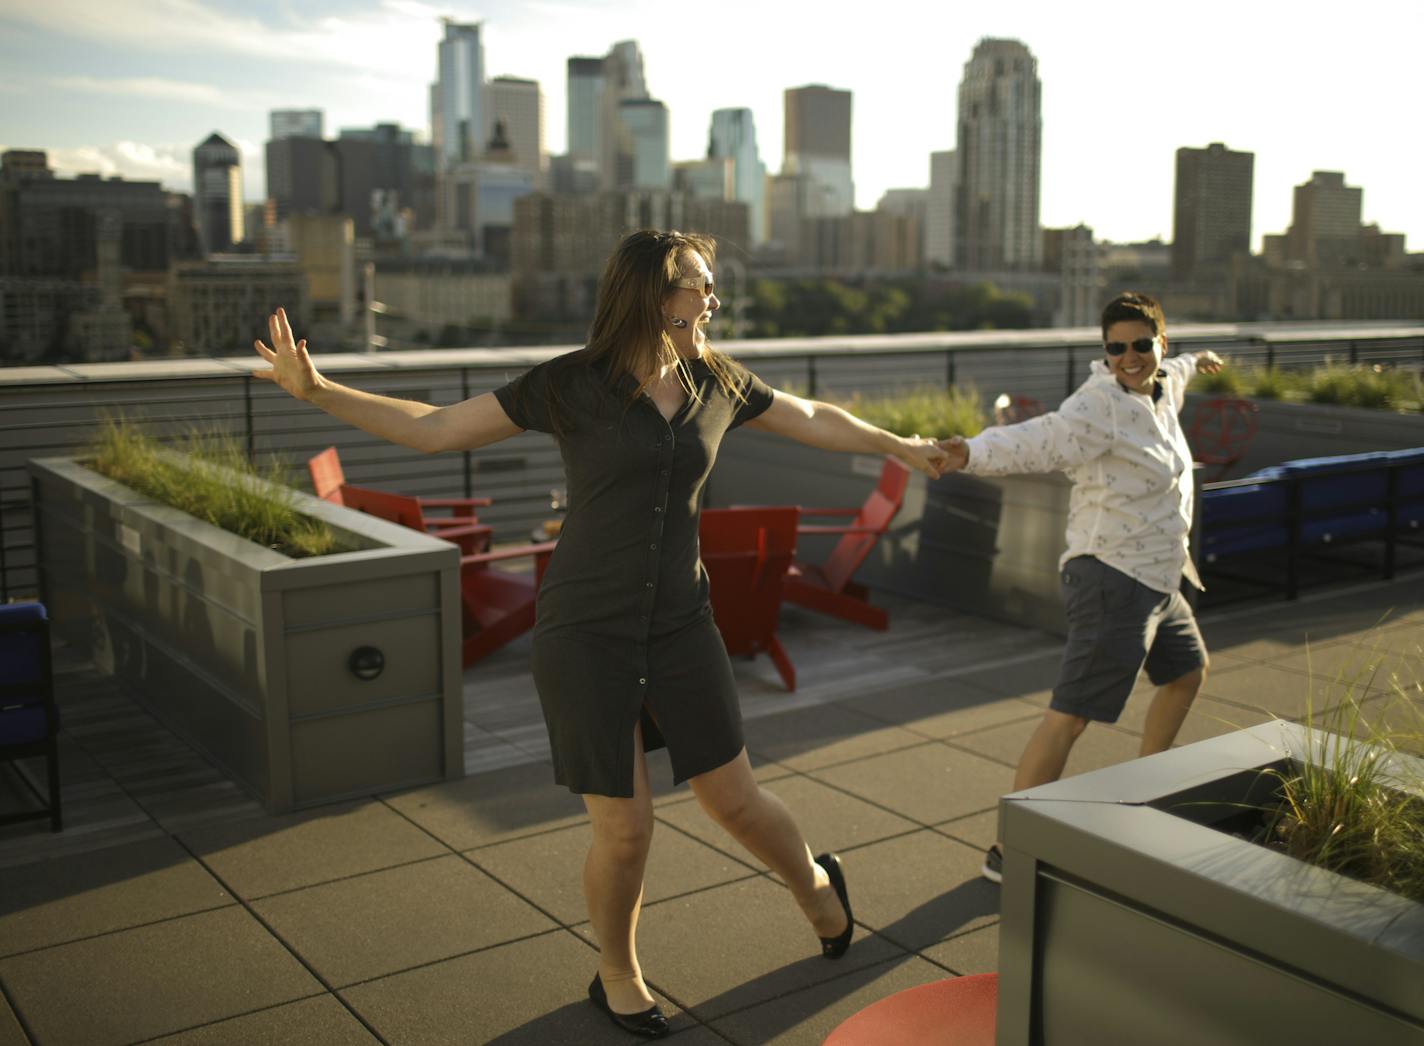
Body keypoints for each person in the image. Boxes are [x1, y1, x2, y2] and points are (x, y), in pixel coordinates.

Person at [253, 229, 950, 1039]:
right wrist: (320, 392)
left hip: (682, 626)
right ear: (655, 294)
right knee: (625, 828)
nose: (713, 300)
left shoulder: (717, 382)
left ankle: (816, 884)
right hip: (585, 630)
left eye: (713, 287)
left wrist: (900, 445)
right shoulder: (571, 386)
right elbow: (436, 428)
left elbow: (815, 418)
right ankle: (617, 972)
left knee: (737, 803)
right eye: (700, 286)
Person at [935, 292, 1224, 884]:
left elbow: (1182, 367)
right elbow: (1038, 439)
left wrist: (1204, 359)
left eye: (1141, 344)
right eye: (1116, 348)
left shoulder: (1165, 382)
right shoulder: (1097, 408)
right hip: (1112, 578)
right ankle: (1008, 849)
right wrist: (970, 451)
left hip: (1161, 575)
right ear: (1105, 353)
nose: (1129, 357)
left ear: (1160, 345)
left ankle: (1148, 790)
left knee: (1187, 672)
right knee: (1069, 716)